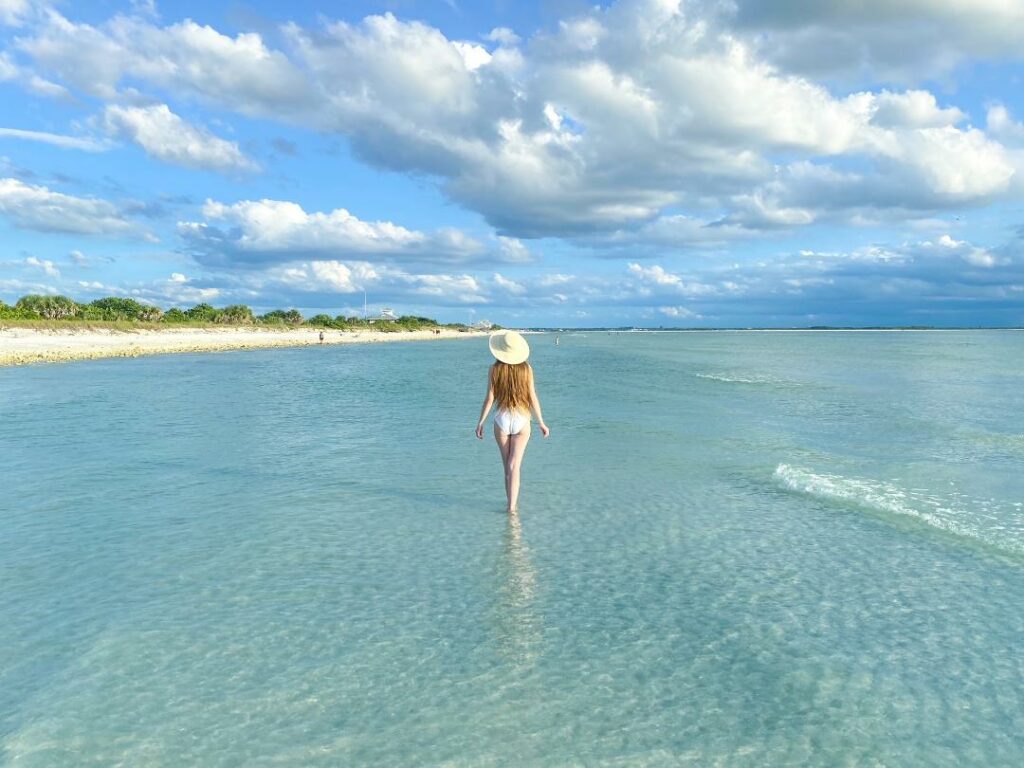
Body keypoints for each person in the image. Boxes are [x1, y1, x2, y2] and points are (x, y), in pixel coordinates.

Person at [476, 330, 550, 512]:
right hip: (522, 419)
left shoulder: (494, 369)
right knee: (514, 466)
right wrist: (541, 422)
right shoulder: (527, 369)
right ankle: (512, 510)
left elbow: (490, 398)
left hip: (501, 419)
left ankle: (510, 506)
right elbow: (533, 397)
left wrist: (481, 422)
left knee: (507, 467)